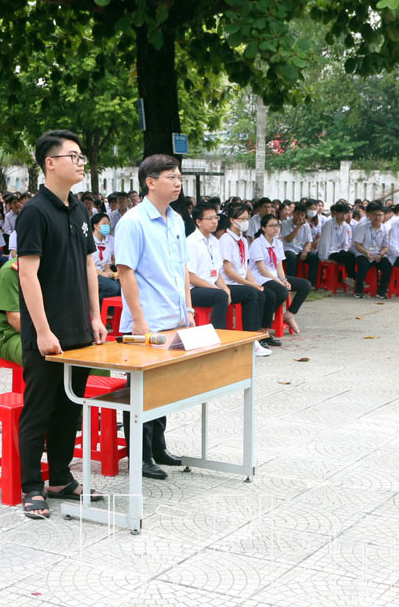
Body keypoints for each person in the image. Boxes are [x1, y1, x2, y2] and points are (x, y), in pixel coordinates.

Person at [15, 129, 106, 519]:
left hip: (79, 330)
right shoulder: (35, 212)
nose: (81, 161)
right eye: (73, 155)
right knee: (40, 408)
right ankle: (32, 485)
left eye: (82, 156)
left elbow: (89, 264)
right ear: (50, 163)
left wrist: (96, 316)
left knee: (71, 407)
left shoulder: (81, 210)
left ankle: (60, 477)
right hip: (47, 332)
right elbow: (27, 275)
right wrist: (43, 330)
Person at [115, 154, 194, 481]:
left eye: (179, 177)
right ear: (150, 182)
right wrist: (139, 320)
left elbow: (182, 269)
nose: (177, 182)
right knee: (141, 391)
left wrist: (188, 310)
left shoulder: (176, 219)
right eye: (171, 177)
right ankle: (141, 455)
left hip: (174, 317)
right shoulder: (133, 221)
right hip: (147, 321)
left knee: (164, 388)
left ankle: (158, 447)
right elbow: (126, 272)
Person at [186, 201, 271, 355]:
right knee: (220, 296)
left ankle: (251, 339)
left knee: (251, 293)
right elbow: (190, 276)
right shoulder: (191, 242)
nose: (214, 222)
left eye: (216, 218)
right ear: (198, 221)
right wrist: (219, 289)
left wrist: (224, 287)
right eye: (209, 218)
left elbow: (217, 272)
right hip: (194, 290)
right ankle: (220, 340)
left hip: (214, 286)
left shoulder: (214, 242)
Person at [219, 203, 278, 349]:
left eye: (247, 218)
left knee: (267, 294)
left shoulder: (243, 240)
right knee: (252, 294)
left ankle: (263, 332)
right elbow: (227, 270)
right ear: (232, 220)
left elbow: (245, 268)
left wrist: (255, 283)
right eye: (242, 219)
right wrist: (250, 285)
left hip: (241, 282)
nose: (246, 222)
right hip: (228, 284)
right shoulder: (226, 240)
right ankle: (250, 337)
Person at [249, 214, 311, 333]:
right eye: (271, 226)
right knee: (281, 292)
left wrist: (283, 279)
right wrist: (279, 282)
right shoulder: (257, 243)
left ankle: (289, 313)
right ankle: (263, 322)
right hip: (260, 277)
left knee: (305, 285)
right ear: (263, 228)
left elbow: (279, 265)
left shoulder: (278, 243)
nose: (275, 228)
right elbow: (261, 269)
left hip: (275, 276)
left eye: (277, 225)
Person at [353, 201, 392, 299]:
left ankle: (381, 291)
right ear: (370, 215)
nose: (377, 217)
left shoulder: (385, 229)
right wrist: (366, 253)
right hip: (364, 253)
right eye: (375, 215)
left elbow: (386, 246)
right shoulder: (363, 227)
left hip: (378, 255)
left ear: (383, 216)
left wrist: (381, 255)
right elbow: (357, 244)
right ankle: (358, 291)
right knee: (363, 265)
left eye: (380, 215)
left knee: (388, 266)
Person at [0, 255, 23, 366]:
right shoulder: (11, 271)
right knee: (41, 355)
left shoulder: (53, 269)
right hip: (9, 336)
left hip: (44, 332)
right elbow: (15, 320)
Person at [280, 205, 319, 282]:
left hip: (301, 250)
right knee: (292, 257)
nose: (299, 217)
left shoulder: (306, 225)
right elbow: (288, 239)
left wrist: (305, 252)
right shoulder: (285, 224)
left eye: (302, 215)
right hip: (288, 249)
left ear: (305, 216)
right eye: (298, 214)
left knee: (314, 257)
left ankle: (311, 283)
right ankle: (291, 283)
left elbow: (309, 241)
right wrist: (298, 227)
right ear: (293, 213)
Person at [90, 212, 120, 300]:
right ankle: (99, 309)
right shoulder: (89, 242)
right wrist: (102, 274)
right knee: (113, 287)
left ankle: (112, 312)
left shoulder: (106, 243)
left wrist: (112, 274)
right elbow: (87, 265)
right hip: (91, 274)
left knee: (121, 285)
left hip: (102, 273)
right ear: (95, 225)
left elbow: (106, 265)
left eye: (108, 223)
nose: (107, 225)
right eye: (104, 223)